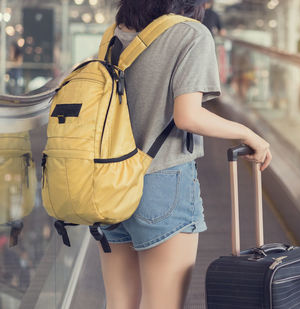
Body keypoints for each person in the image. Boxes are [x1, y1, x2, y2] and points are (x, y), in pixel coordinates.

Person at [99, 1, 272, 309]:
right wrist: (247, 133)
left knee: (118, 303)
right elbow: (188, 116)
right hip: (163, 183)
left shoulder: (114, 34)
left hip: (109, 182)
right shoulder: (192, 34)